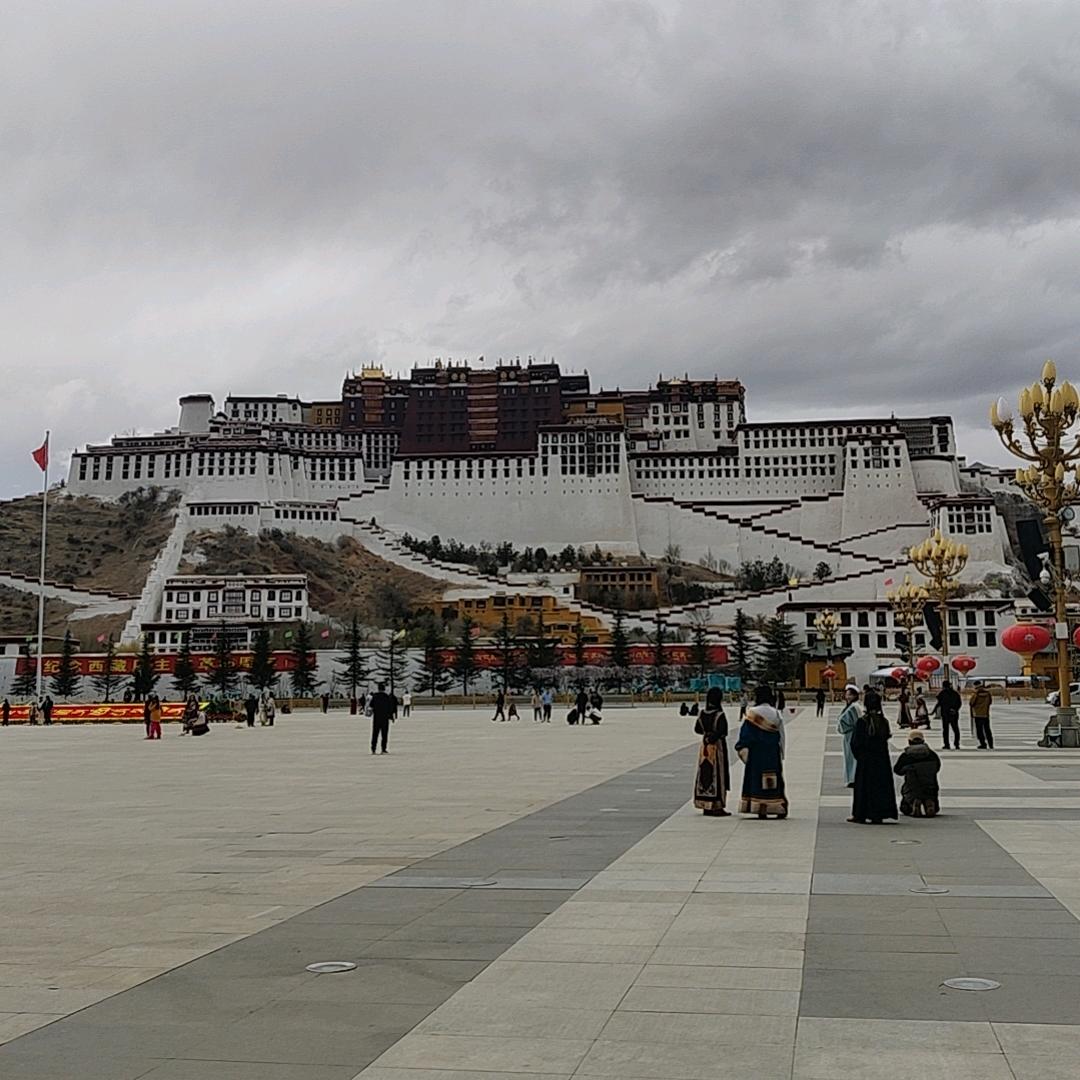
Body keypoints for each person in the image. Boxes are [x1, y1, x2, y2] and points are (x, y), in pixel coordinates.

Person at [734, 685, 788, 819]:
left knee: (757, 779)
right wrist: (781, 752)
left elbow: (745, 734)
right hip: (771, 752)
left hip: (756, 753)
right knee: (774, 779)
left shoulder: (752, 712)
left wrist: (742, 747)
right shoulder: (776, 713)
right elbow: (781, 735)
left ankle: (760, 808)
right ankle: (777, 805)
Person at [849, 688, 898, 824]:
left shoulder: (862, 722)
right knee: (880, 786)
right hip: (881, 759)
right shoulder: (883, 721)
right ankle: (879, 814)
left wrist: (859, 756)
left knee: (864, 787)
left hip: (866, 760)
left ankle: (861, 814)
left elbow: (855, 743)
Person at [693, 687, 730, 816]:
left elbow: (697, 729)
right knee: (718, 773)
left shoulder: (702, 714)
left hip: (704, 747)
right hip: (717, 747)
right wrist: (714, 736)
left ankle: (705, 804)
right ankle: (717, 805)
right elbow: (723, 731)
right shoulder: (719, 715)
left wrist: (706, 735)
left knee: (705, 772)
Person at [894, 729, 942, 817]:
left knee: (904, 808)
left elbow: (897, 770)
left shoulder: (906, 755)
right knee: (932, 798)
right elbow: (937, 767)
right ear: (923, 740)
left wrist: (907, 770)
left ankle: (914, 802)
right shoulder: (931, 754)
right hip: (930, 787)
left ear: (909, 741)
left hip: (912, 788)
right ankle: (930, 802)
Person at [836, 685, 860, 788]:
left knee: (852, 757)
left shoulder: (854, 707)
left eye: (850, 694)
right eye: (847, 694)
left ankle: (853, 778)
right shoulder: (851, 707)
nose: (847, 696)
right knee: (849, 757)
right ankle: (851, 777)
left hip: (852, 734)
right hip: (849, 735)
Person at [933, 680, 963, 750]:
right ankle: (956, 744)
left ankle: (947, 744)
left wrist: (933, 711)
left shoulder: (942, 693)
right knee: (955, 729)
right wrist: (955, 709)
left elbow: (939, 702)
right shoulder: (955, 693)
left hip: (945, 714)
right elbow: (959, 703)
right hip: (954, 713)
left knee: (945, 730)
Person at [369, 681, 396, 754]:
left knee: (375, 733)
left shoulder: (375, 696)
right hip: (385, 718)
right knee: (384, 734)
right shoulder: (387, 697)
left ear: (378, 689)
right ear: (384, 689)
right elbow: (390, 708)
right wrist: (392, 717)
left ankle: (373, 749)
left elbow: (371, 706)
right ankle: (383, 749)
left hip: (377, 718)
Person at [969, 683, 994, 749]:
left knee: (979, 731)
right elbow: (990, 702)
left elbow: (971, 703)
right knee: (987, 730)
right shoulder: (988, 694)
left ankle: (983, 744)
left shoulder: (976, 694)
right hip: (985, 714)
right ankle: (991, 744)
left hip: (978, 714)